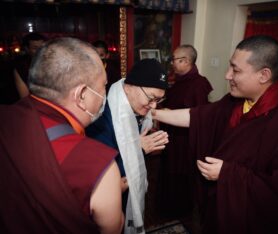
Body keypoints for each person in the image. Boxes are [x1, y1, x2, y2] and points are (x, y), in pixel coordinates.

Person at [152, 35, 278, 234]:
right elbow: (198, 116)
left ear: (263, 75)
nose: (227, 75)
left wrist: (226, 174)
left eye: (235, 70)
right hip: (220, 209)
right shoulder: (236, 101)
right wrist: (153, 112)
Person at [0, 37, 124, 234]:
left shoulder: (7, 118)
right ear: (81, 94)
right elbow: (113, 229)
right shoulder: (97, 165)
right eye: (103, 86)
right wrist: (112, 190)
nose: (104, 93)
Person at [86, 58, 169, 233]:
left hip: (128, 185)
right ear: (130, 86)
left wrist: (139, 147)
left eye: (159, 100)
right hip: (109, 193)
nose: (153, 106)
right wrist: (137, 148)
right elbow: (97, 169)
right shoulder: (101, 113)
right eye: (152, 98)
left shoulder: (136, 107)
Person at [157, 44, 213, 219]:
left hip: (184, 140)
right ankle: (166, 206)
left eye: (175, 59)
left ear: (186, 61)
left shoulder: (199, 84)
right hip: (172, 136)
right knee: (168, 171)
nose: (172, 63)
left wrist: (167, 113)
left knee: (181, 175)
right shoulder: (180, 80)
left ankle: (180, 210)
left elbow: (199, 117)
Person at [13, 32, 46, 98]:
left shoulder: (54, 63)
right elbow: (25, 97)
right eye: (35, 48)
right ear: (27, 49)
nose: (40, 51)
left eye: (42, 47)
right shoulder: (22, 68)